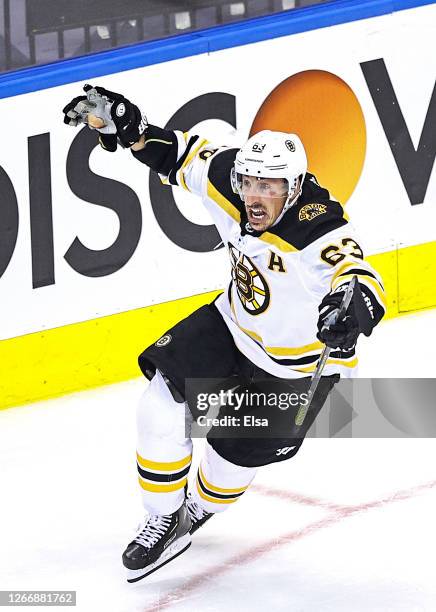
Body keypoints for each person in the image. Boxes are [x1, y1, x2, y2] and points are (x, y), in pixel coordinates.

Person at [63, 85, 386, 582]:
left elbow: (360, 276)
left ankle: (194, 509)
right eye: (250, 183)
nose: (257, 197)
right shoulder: (226, 179)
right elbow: (180, 153)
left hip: (295, 369)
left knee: (228, 463)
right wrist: (130, 128)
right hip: (232, 326)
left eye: (272, 187)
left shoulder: (317, 228)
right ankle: (163, 518)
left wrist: (352, 307)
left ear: (296, 188)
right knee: (160, 402)